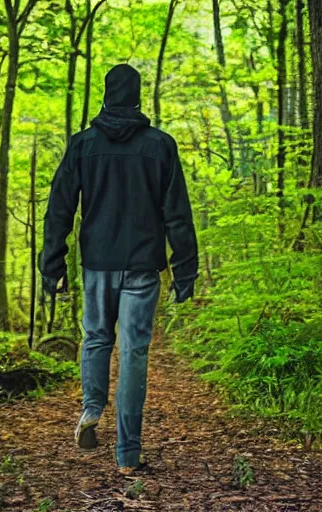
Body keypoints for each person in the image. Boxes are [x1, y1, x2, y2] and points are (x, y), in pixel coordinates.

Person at [39, 64, 198, 472]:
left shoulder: (82, 145)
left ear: (107, 95)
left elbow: (59, 208)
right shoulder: (160, 145)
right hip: (143, 265)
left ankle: (92, 408)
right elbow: (177, 213)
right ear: (137, 97)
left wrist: (51, 264)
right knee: (134, 352)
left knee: (95, 339)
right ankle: (128, 453)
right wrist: (185, 270)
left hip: (97, 264)